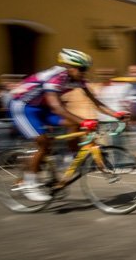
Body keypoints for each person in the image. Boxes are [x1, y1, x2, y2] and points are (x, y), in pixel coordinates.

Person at [7, 49, 128, 201]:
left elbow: (95, 102)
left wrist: (115, 114)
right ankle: (29, 184)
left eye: (86, 69)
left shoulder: (76, 78)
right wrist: (84, 121)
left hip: (42, 108)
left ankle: (72, 158)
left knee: (75, 124)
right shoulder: (55, 78)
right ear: (70, 67)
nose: (85, 72)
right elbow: (57, 108)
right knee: (44, 143)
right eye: (82, 69)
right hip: (23, 108)